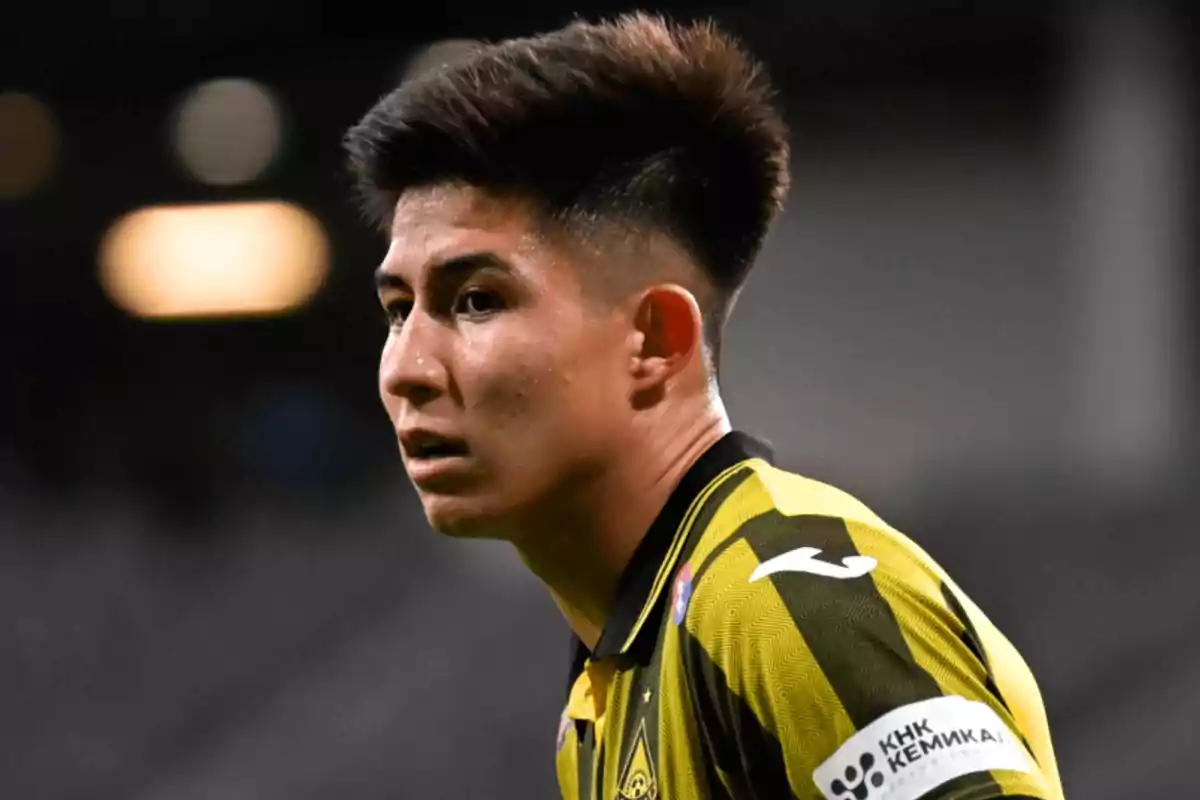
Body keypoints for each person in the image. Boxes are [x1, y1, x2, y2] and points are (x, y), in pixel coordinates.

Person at [343, 12, 1064, 800]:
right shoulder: (604, 699)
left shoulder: (789, 601)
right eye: (396, 310)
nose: (405, 369)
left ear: (654, 340)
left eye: (476, 301)